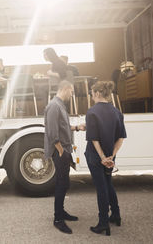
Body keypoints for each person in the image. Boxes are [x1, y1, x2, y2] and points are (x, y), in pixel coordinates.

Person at [84, 81, 127, 236]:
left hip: (96, 157)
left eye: (92, 94)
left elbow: (94, 139)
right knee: (108, 184)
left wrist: (102, 157)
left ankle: (103, 223)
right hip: (110, 156)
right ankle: (116, 215)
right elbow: (121, 138)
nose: (92, 96)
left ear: (97, 93)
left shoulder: (92, 112)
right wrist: (111, 156)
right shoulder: (117, 112)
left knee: (101, 188)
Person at [44, 80, 85, 234]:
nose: (72, 94)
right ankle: (58, 219)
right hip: (60, 150)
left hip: (65, 149)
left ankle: (61, 212)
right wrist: (61, 150)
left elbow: (63, 126)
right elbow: (52, 132)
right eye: (71, 91)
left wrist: (77, 128)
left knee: (65, 182)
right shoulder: (54, 106)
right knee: (61, 184)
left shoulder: (59, 104)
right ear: (65, 89)